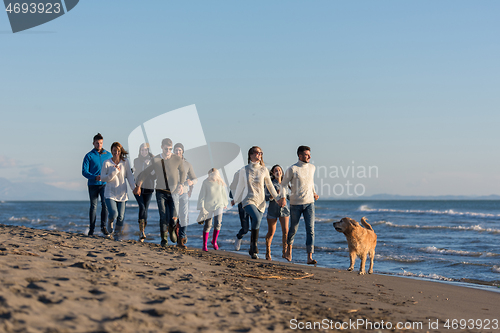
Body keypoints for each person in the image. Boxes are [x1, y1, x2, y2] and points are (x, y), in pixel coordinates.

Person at [233, 146, 285, 259]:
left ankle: (252, 250)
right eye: (257, 153)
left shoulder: (264, 170)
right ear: (250, 155)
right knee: (256, 219)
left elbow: (270, 186)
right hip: (247, 200)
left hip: (260, 202)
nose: (259, 155)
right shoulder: (244, 170)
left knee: (256, 223)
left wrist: (277, 199)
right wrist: (235, 198)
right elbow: (240, 186)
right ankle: (255, 246)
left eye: (260, 153)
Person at [133, 138, 186, 247]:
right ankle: (164, 240)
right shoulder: (156, 159)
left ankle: (171, 229)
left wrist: (181, 184)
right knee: (163, 216)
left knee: (173, 218)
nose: (168, 151)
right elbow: (145, 173)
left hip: (174, 192)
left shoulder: (177, 159)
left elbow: (183, 171)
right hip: (160, 192)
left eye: (170, 149)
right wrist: (138, 185)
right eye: (166, 149)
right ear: (162, 147)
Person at [282, 145, 319, 265]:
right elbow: (283, 185)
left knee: (311, 230)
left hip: (309, 203)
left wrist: (314, 192)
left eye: (309, 154)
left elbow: (310, 182)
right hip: (295, 204)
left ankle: (309, 257)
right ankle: (289, 251)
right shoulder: (292, 169)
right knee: (293, 229)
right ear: (300, 155)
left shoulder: (312, 167)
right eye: (307, 155)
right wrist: (283, 198)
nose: (309, 156)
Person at [100, 142, 136, 241]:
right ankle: (110, 221)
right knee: (114, 213)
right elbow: (103, 178)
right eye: (115, 150)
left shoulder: (125, 162)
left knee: (121, 217)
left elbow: (129, 176)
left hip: (122, 193)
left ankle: (117, 234)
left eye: (118, 151)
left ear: (121, 152)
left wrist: (134, 188)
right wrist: (114, 172)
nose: (116, 152)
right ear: (111, 151)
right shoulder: (107, 163)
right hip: (109, 193)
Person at [82, 133, 112, 236]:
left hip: (105, 184)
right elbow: (84, 171)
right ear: (93, 143)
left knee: (105, 204)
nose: (99, 145)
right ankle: (92, 229)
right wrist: (95, 177)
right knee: (93, 206)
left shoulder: (108, 155)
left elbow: (114, 166)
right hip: (93, 184)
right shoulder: (89, 156)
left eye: (101, 143)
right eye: (97, 143)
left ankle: (103, 227)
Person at [197, 168, 228, 251]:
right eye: (212, 175)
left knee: (218, 223)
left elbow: (223, 193)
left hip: (219, 205)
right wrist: (201, 206)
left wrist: (225, 203)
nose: (214, 177)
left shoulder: (220, 182)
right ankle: (205, 245)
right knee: (208, 225)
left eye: (215, 175)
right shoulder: (206, 182)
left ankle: (214, 241)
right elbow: (202, 195)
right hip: (208, 206)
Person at [173, 143, 198, 249]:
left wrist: (191, 182)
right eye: (176, 150)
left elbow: (195, 179)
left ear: (182, 151)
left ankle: (181, 240)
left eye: (179, 150)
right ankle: (174, 231)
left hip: (184, 194)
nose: (178, 152)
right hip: (173, 193)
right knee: (174, 217)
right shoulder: (169, 163)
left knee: (184, 217)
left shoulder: (188, 164)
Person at [264, 165, 290, 261]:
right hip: (272, 211)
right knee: (271, 232)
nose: (278, 172)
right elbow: (266, 198)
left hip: (284, 210)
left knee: (286, 231)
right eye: (276, 170)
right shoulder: (270, 184)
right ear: (272, 173)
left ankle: (285, 252)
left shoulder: (286, 184)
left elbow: (289, 197)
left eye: (279, 170)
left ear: (282, 172)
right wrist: (273, 195)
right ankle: (268, 251)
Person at [133, 143, 155, 242]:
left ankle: (142, 231)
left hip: (149, 188)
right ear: (139, 151)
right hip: (138, 187)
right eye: (142, 150)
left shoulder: (153, 161)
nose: (144, 152)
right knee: (142, 207)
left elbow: (155, 176)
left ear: (148, 151)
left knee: (145, 209)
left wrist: (149, 167)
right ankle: (141, 232)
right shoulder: (136, 161)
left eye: (145, 150)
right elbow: (136, 172)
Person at [229, 170, 250, 251]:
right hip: (242, 205)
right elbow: (231, 195)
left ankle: (253, 248)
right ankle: (239, 237)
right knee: (245, 229)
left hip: (254, 205)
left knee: (256, 227)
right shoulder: (236, 184)